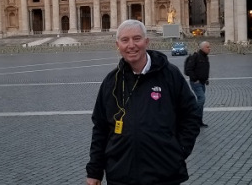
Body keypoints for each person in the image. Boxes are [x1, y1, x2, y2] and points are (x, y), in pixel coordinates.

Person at [86, 20, 201, 185]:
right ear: (117, 45)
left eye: (137, 39)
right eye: (125, 40)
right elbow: (100, 128)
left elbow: (191, 115)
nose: (131, 45)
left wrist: (178, 150)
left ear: (147, 42)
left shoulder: (170, 75)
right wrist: (94, 171)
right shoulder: (111, 82)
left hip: (164, 176)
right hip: (121, 176)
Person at [184, 41, 211, 127]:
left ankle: (199, 121)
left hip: (202, 82)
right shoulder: (195, 57)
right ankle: (194, 118)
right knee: (201, 99)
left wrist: (206, 79)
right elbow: (188, 69)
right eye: (208, 47)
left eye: (209, 47)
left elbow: (204, 70)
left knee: (201, 102)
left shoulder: (205, 57)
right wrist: (195, 79)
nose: (209, 49)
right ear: (202, 48)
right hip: (196, 83)